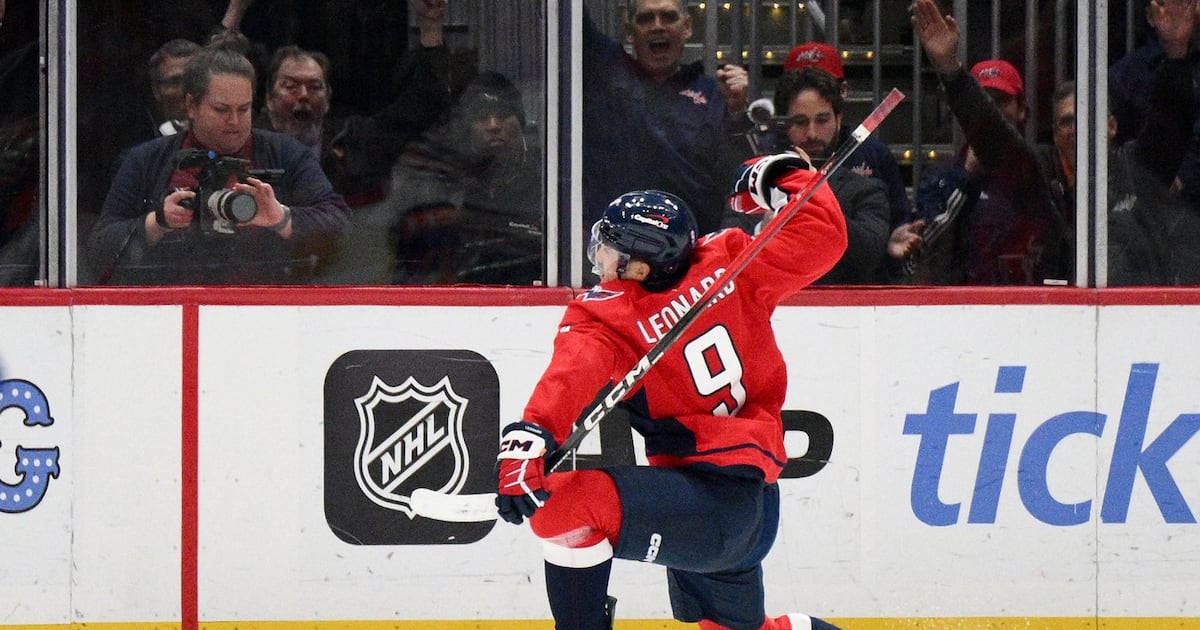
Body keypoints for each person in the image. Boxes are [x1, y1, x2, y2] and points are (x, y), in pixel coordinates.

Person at [495, 151, 848, 630]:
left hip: (709, 509)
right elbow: (821, 236)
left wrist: (533, 433)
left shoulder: (610, 314)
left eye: (610, 249)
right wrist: (783, 175)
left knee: (565, 508)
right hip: (747, 503)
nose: (599, 257)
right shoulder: (730, 262)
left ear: (639, 269)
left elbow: (571, 372)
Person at [88, 45, 350, 285]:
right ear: (191, 105)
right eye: (222, 110)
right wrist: (156, 223)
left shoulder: (288, 155)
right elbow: (98, 251)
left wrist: (281, 218)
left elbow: (341, 227)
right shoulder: (145, 161)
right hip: (167, 311)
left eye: (244, 109)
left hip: (268, 311)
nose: (234, 121)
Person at [893, 0, 1070, 286]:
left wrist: (950, 70)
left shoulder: (1043, 166)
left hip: (1037, 308)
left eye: (1001, 101)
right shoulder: (941, 175)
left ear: (1023, 109)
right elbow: (924, 251)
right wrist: (965, 177)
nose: (993, 111)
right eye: (984, 102)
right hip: (964, 311)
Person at [583, 0, 751, 238]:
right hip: (613, 249)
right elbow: (566, 15)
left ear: (687, 27)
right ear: (629, 31)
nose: (657, 26)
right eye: (645, 19)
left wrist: (737, 112)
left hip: (692, 251)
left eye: (669, 17)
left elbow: (737, 179)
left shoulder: (715, 95)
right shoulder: (608, 71)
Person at [727, 66, 889, 284]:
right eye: (801, 122)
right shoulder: (754, 182)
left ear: (838, 120)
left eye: (822, 120)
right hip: (769, 307)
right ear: (783, 124)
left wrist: (813, 197)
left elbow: (870, 256)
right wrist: (760, 231)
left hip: (841, 311)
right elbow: (727, 250)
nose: (812, 134)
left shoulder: (866, 190)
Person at [388, 71, 543, 285]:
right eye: (481, 117)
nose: (493, 125)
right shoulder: (436, 175)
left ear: (521, 120)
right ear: (465, 127)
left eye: (504, 114)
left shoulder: (547, 177)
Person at [780, 42, 911, 240]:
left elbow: (896, 224)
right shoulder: (768, 159)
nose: (812, 133)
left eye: (826, 85)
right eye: (800, 121)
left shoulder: (874, 154)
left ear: (842, 91)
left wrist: (893, 240)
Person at [146, 38, 202, 138]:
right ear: (156, 90)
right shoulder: (143, 152)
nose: (186, 90)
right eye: (175, 82)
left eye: (195, 79)